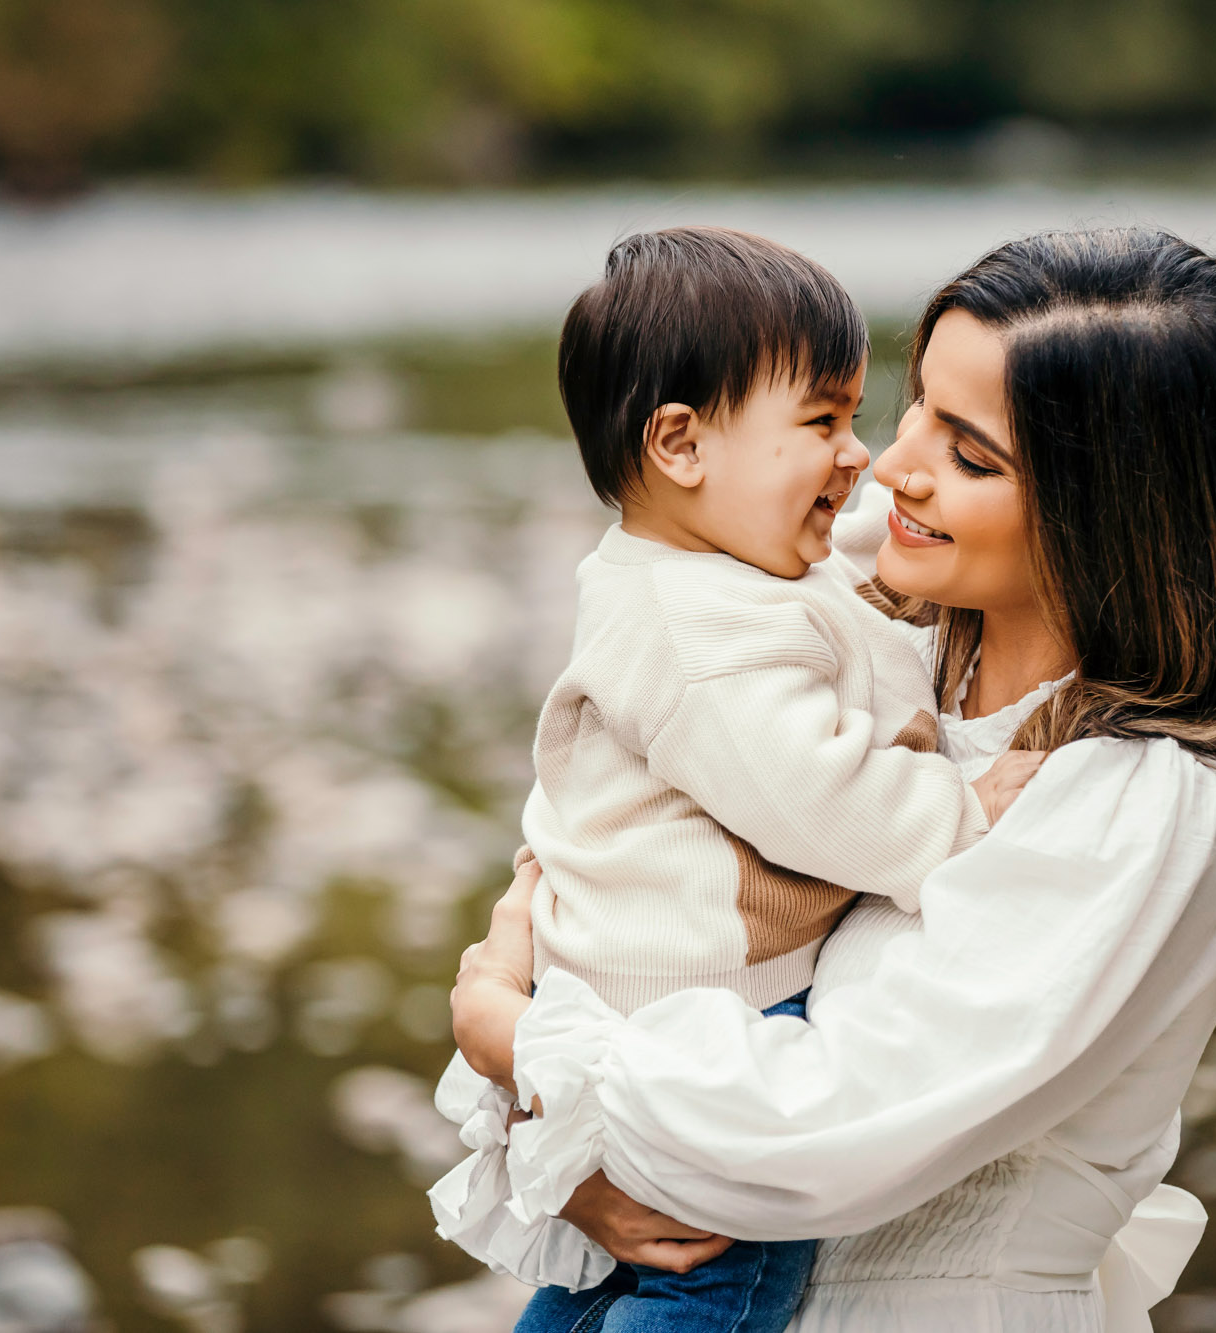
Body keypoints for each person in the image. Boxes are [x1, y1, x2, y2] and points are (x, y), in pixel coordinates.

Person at [449, 226, 1216, 1333]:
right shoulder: (877, 639)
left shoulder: (1139, 803)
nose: (888, 462)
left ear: (1116, 508)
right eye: (913, 406)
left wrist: (518, 1039)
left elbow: (811, 1130)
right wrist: (548, 1097)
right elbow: (602, 813)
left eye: (969, 454)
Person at [428, 226, 1045, 1333]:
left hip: (626, 1027)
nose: (859, 456)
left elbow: (845, 569)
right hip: (694, 1043)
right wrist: (960, 810)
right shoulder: (698, 635)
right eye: (820, 421)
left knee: (582, 1298)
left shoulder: (700, 569)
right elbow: (822, 797)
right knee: (711, 1286)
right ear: (679, 444)